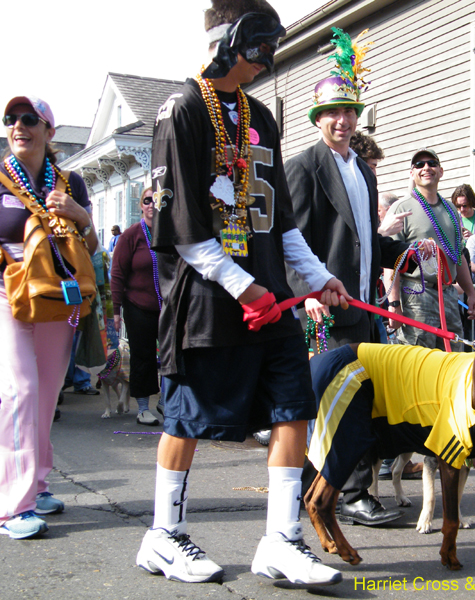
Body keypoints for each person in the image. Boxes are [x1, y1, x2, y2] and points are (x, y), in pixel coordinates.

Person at [135, 1, 350, 587]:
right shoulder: (180, 111)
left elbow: (279, 219)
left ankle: (281, 541)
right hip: (207, 298)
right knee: (186, 417)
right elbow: (179, 225)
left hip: (270, 296)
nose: (267, 61)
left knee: (293, 407)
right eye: (262, 47)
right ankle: (162, 535)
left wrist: (315, 275)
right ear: (232, 39)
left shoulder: (261, 116)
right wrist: (240, 284)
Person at [284, 31, 415, 527]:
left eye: (349, 111)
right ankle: (315, 491)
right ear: (318, 118)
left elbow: (364, 240)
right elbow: (290, 239)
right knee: (324, 401)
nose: (342, 121)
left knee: (360, 398)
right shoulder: (303, 167)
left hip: (363, 306)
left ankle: (352, 492)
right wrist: (308, 292)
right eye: (332, 112)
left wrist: (403, 252)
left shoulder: (364, 170)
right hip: (323, 306)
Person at [0, 95, 98, 539]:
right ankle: (11, 505)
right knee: (19, 390)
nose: (18, 126)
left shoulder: (72, 182)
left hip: (60, 299)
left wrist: (78, 215)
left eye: (28, 119)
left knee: (45, 395)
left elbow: (90, 248)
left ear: (49, 131)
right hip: (7, 295)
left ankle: (36, 485)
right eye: (11, 119)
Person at [385, 149, 475, 348]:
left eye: (431, 163)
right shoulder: (401, 208)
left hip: (448, 294)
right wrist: (394, 305)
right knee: (419, 360)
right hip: (416, 294)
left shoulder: (451, 209)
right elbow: (389, 262)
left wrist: (471, 293)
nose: (426, 168)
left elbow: (458, 255)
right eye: (419, 165)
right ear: (412, 173)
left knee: (452, 355)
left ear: (441, 171)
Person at [110, 187, 161, 426]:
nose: (151, 204)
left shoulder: (170, 232)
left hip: (167, 307)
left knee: (175, 354)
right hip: (137, 306)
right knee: (144, 357)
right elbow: (117, 274)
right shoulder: (130, 235)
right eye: (147, 200)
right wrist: (116, 311)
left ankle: (168, 402)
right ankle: (143, 408)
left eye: (156, 200)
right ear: (141, 205)